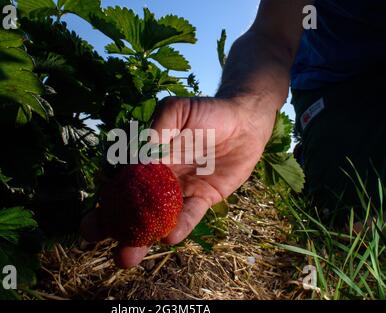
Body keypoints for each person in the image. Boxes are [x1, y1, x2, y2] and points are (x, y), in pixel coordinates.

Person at [82, 0, 386, 268]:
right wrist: (246, 105)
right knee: (354, 226)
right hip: (342, 86)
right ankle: (320, 153)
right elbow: (274, 33)